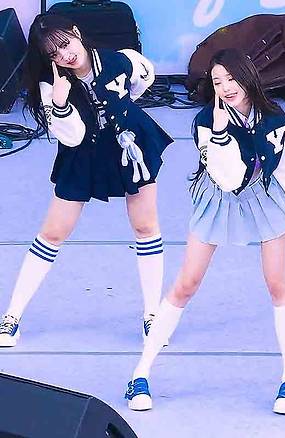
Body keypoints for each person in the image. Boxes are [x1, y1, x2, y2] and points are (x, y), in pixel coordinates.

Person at [124, 48, 285, 414]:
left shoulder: (276, 118)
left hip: (265, 195)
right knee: (186, 283)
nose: (225, 87)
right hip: (218, 196)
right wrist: (222, 134)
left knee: (278, 284)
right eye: (217, 81)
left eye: (231, 78)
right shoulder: (206, 122)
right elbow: (227, 177)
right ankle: (140, 373)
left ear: (248, 76)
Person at [0, 14, 173, 347]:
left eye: (65, 44)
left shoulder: (122, 60)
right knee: (52, 233)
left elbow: (142, 80)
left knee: (145, 227)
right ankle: (11, 317)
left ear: (77, 33)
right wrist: (61, 103)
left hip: (130, 144)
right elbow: (73, 136)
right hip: (83, 152)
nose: (65, 55)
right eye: (54, 54)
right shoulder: (50, 87)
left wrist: (120, 113)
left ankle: (153, 316)